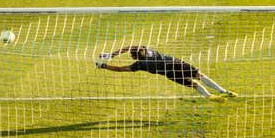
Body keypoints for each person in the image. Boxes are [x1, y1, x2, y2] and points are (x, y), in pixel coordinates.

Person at [96, 45, 237, 103]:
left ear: (134, 57)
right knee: (200, 75)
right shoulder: (148, 50)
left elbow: (121, 69)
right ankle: (223, 91)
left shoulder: (139, 64)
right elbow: (130, 47)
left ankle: (210, 96)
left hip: (169, 73)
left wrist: (104, 65)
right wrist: (112, 54)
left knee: (194, 84)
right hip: (176, 63)